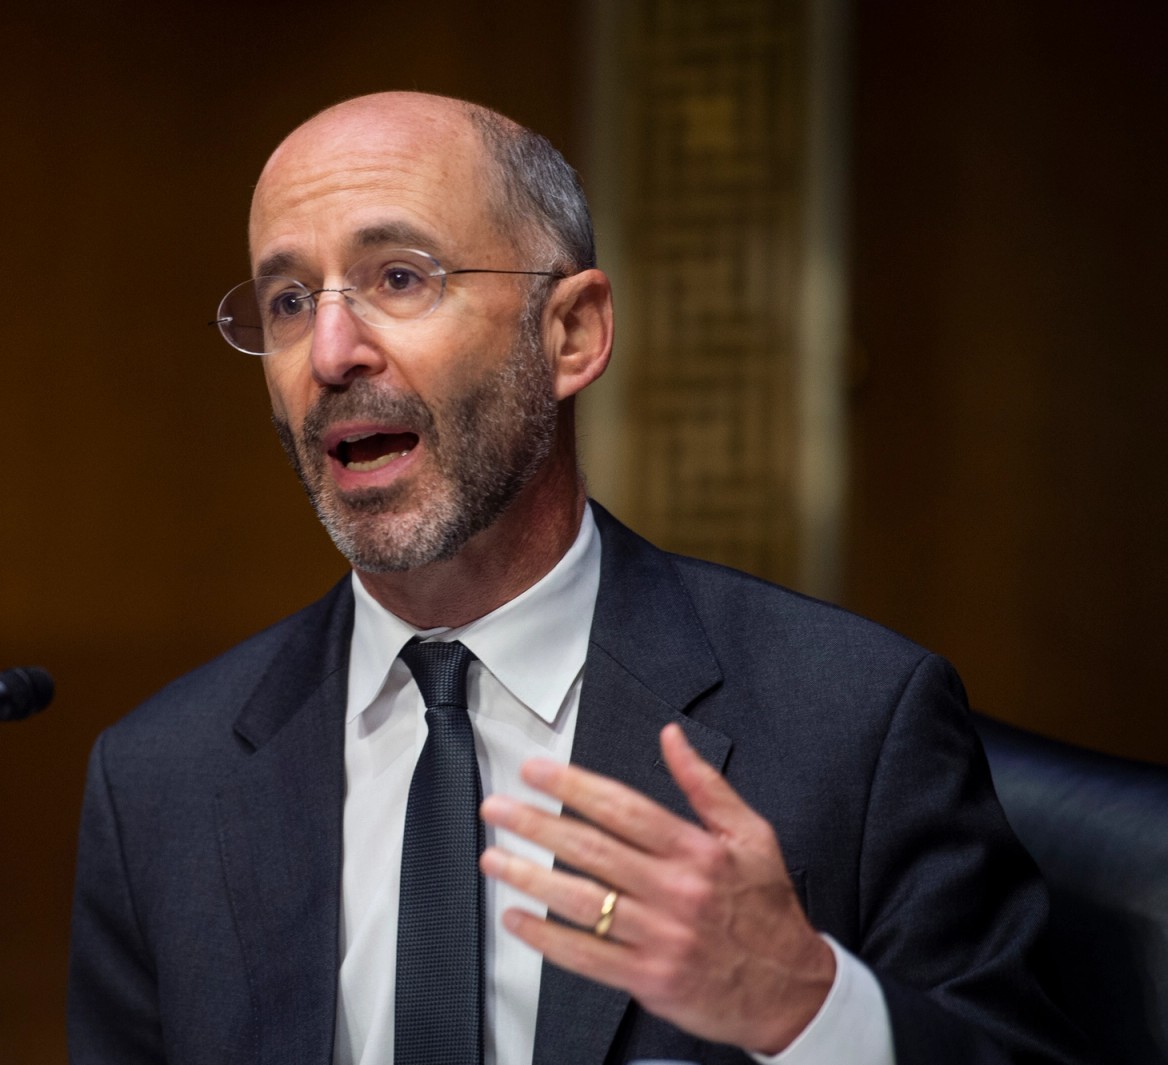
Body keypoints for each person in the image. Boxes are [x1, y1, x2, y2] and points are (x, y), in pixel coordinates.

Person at [67, 91, 1087, 1065]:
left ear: (571, 333)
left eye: (400, 278)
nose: (330, 352)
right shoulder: (159, 780)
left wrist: (808, 1007)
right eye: (288, 301)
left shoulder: (854, 720)